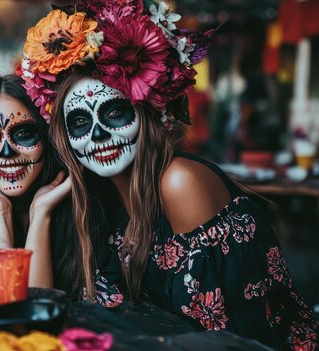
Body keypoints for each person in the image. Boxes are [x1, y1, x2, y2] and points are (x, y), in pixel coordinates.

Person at [19, 1, 318, 349]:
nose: (98, 136)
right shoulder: (98, 196)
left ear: (146, 113)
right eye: (81, 122)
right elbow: (36, 312)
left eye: (115, 112)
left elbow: (229, 338)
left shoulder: (179, 183)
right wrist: (40, 214)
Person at [0, 73, 116, 301]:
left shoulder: (91, 212)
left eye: (23, 133)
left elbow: (34, 317)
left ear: (47, 137)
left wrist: (42, 213)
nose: (7, 153)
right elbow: (8, 313)